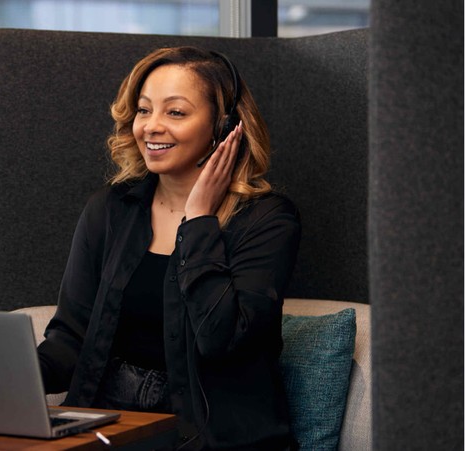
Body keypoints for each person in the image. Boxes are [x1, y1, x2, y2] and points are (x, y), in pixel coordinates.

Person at [36, 46, 301, 450]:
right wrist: (2, 378)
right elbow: (72, 337)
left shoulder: (267, 220)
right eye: (144, 110)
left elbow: (221, 339)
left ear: (225, 126)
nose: (151, 127)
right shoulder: (111, 209)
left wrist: (199, 220)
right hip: (110, 426)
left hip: (208, 435)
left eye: (175, 112)